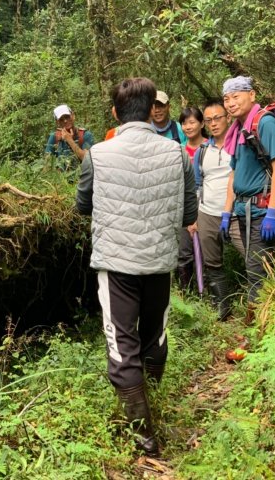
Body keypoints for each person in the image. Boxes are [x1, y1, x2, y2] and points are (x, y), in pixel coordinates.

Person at [76, 77, 197, 456]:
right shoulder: (178, 154)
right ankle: (153, 399)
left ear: (115, 113)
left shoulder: (98, 154)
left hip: (116, 266)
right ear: (150, 112)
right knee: (154, 335)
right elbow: (189, 211)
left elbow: (82, 205)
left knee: (121, 342)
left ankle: (144, 434)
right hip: (161, 263)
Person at [221, 76, 275, 323]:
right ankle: (270, 322)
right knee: (259, 268)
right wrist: (227, 212)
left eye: (236, 96)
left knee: (256, 271)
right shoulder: (238, 129)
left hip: (263, 211)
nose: (230, 103)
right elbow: (234, 173)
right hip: (243, 210)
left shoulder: (266, 124)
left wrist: (272, 213)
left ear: (252, 95)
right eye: (226, 98)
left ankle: (257, 328)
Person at [192, 98, 244, 320]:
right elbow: (197, 184)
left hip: (236, 214)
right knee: (213, 263)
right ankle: (223, 306)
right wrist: (194, 218)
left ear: (228, 118)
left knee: (252, 258)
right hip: (208, 213)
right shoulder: (202, 151)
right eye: (208, 120)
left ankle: (258, 303)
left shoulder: (241, 143)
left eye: (217, 118)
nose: (213, 123)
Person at [177, 107, 209, 288]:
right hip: (184, 206)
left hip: (207, 205)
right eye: (184, 123)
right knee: (184, 252)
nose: (188, 127)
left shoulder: (210, 147)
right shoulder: (179, 151)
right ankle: (186, 294)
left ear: (202, 123)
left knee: (207, 251)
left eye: (192, 122)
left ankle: (208, 291)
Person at [45, 104, 94, 168]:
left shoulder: (85, 135)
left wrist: (70, 140)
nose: (65, 121)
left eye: (67, 117)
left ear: (73, 116)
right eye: (61, 119)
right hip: (61, 177)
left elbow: (87, 159)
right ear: (57, 122)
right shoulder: (55, 137)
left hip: (82, 176)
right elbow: (47, 164)